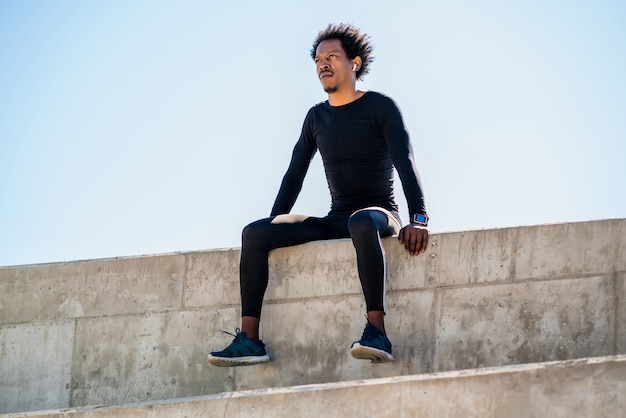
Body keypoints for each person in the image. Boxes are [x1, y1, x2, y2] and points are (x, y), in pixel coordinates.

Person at [207, 23, 429, 367]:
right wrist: (274, 222)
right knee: (254, 232)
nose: (323, 64)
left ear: (354, 62)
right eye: (318, 59)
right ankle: (250, 340)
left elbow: (406, 162)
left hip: (379, 214)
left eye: (332, 56)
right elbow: (294, 174)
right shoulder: (316, 117)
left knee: (360, 221)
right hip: (337, 218)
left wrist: (419, 219)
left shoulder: (381, 107)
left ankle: (377, 332)